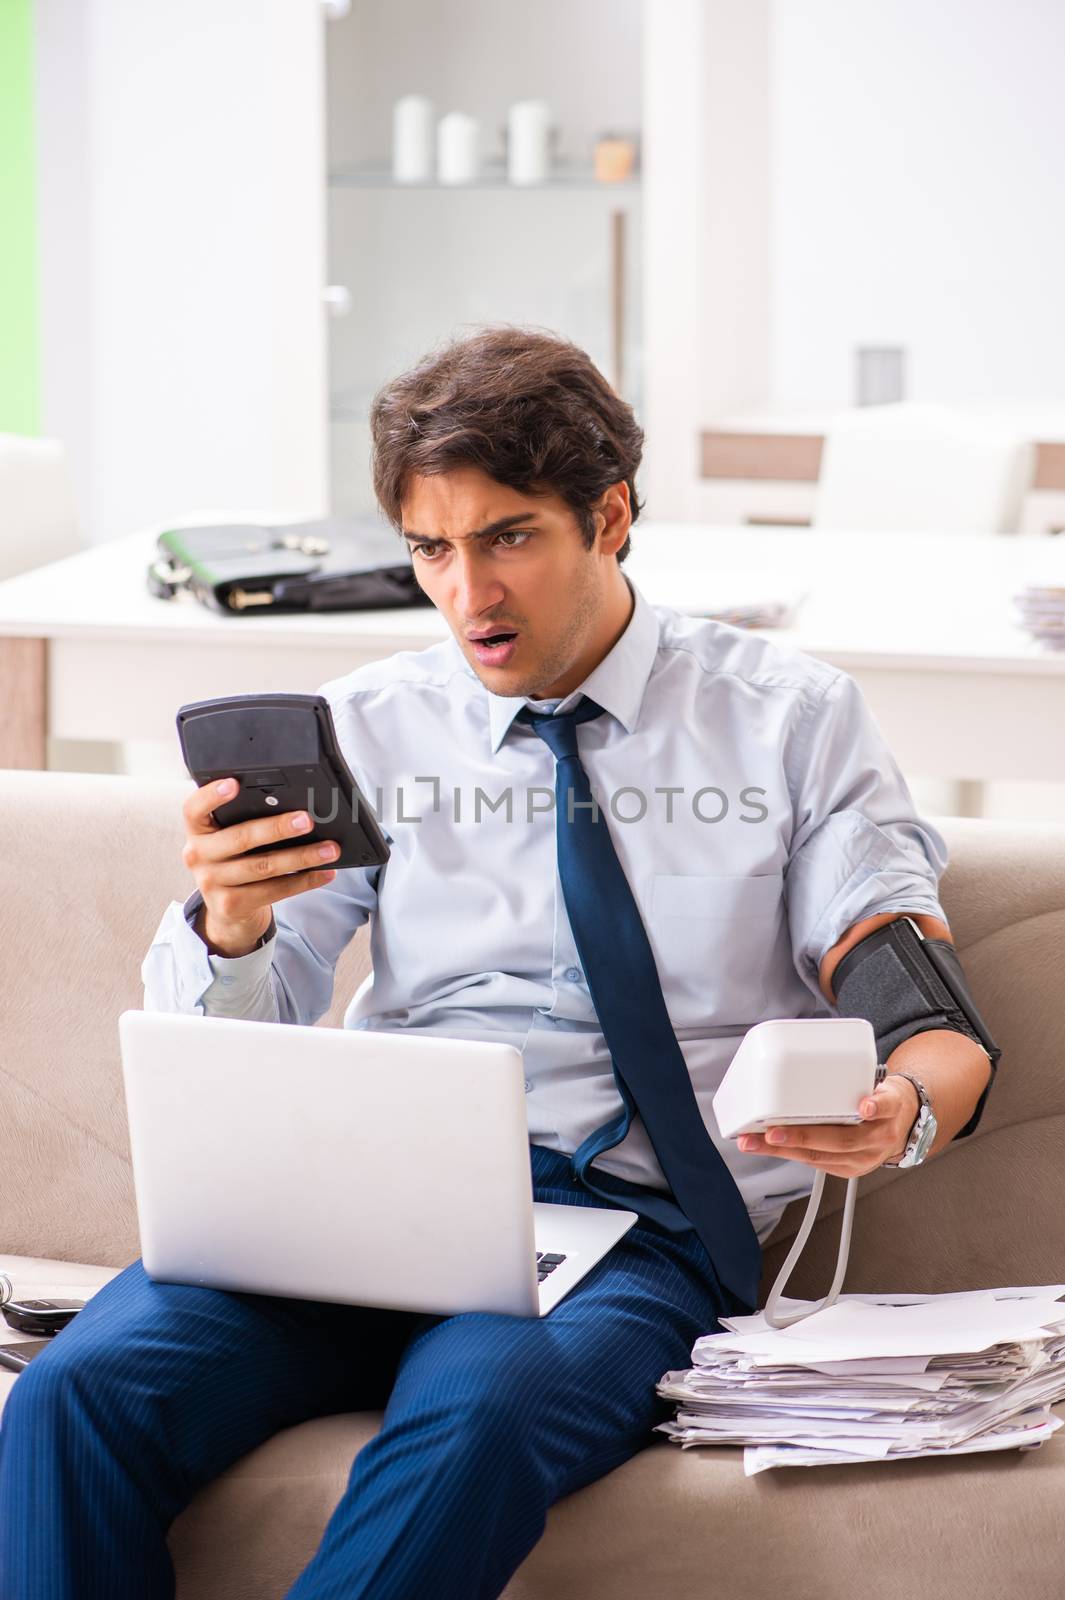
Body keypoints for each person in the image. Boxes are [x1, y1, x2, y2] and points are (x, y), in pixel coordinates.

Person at [0, 328, 995, 1599]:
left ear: (611, 515)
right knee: (76, 1395)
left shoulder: (786, 720)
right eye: (433, 550)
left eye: (509, 536)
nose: (470, 594)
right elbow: (242, 1026)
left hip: (636, 1226)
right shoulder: (369, 722)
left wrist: (906, 1106)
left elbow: (913, 992)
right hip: (360, 1202)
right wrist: (232, 927)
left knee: (476, 1423)